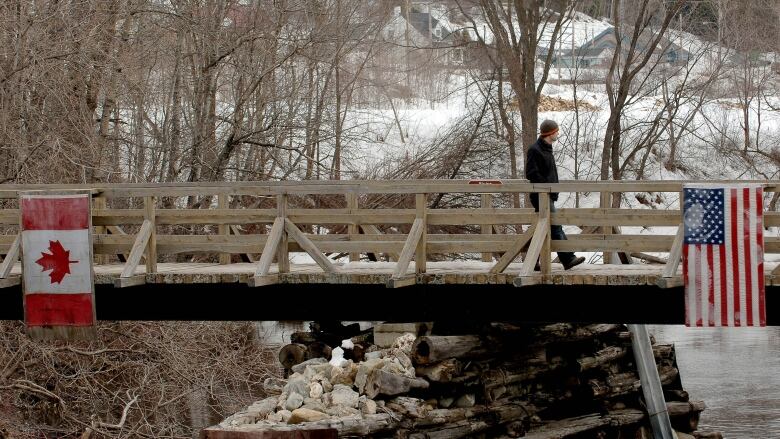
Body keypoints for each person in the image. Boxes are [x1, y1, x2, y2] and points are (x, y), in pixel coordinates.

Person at [525, 119, 585, 270]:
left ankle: (532, 262)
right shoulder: (535, 150)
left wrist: (553, 190)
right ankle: (568, 259)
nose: (558, 133)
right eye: (556, 131)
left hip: (548, 195)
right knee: (556, 226)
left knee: (542, 229)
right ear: (550, 133)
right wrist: (547, 187)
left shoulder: (547, 148)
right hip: (540, 196)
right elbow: (531, 173)